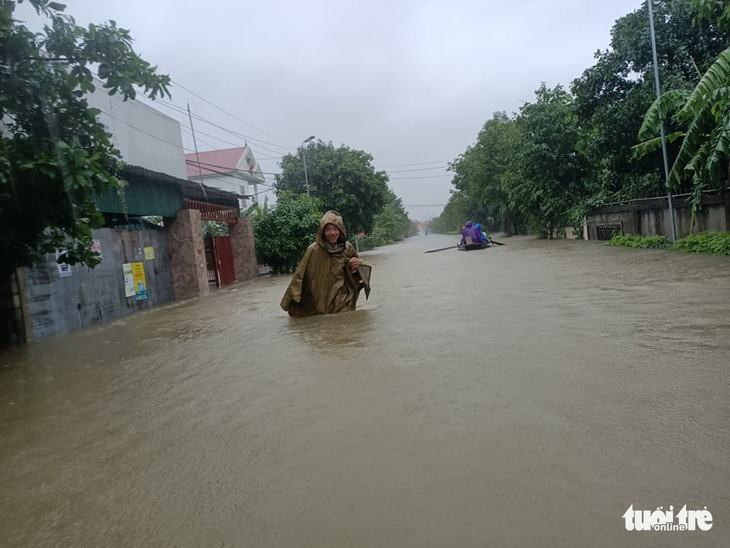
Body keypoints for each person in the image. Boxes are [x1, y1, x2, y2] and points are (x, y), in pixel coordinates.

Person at [281, 210, 372, 317]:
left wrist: (353, 267)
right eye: (328, 230)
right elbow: (300, 276)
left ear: (341, 230)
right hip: (319, 301)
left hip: (342, 300)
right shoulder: (313, 250)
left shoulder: (348, 248)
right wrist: (293, 301)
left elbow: (357, 272)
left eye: (335, 229)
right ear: (322, 232)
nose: (332, 233)